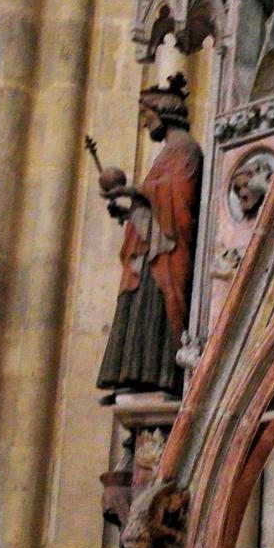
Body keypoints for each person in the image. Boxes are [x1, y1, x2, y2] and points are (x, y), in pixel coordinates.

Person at [96, 74, 203, 401]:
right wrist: (130, 211)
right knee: (136, 306)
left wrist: (132, 191)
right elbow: (156, 202)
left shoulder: (185, 149)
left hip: (168, 251)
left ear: (164, 113)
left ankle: (164, 377)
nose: (145, 124)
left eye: (147, 116)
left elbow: (179, 193)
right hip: (151, 249)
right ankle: (133, 376)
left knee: (160, 305)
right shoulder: (169, 151)